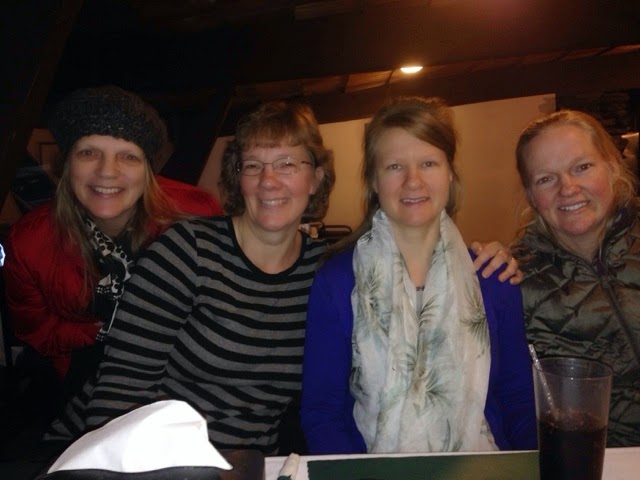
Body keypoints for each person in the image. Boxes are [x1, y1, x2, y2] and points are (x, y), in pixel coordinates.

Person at [47, 100, 335, 455]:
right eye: (253, 165)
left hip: (248, 463)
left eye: (287, 164)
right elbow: (120, 393)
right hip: (134, 453)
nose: (268, 181)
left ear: (316, 178)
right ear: (238, 177)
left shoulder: (326, 272)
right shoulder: (188, 250)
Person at [300, 96, 537, 454]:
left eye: (428, 163)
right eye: (395, 166)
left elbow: (519, 401)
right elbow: (322, 414)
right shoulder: (337, 281)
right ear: (373, 181)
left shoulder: (493, 278)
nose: (413, 181)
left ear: (450, 174)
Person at [2, 86, 222, 396]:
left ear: (148, 169)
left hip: (184, 364)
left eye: (128, 156)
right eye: (89, 153)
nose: (107, 172)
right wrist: (97, 331)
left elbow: (220, 307)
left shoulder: (197, 213)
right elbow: (35, 329)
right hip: (87, 371)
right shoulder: (28, 242)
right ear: (67, 164)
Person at [511, 109, 640, 447]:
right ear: (531, 195)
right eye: (546, 179)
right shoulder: (514, 282)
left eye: (582, 167)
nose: (568, 188)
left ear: (612, 167)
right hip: (596, 461)